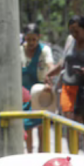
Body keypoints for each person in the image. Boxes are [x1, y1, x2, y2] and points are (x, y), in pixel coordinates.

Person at [44, 15, 84, 129]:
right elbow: (63, 62)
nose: (74, 35)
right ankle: (73, 147)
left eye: (77, 31)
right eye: (71, 32)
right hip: (70, 89)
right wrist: (49, 74)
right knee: (71, 125)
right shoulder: (70, 41)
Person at [21, 23, 55, 152]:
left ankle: (41, 153)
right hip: (24, 94)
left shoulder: (44, 50)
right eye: (28, 39)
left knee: (41, 125)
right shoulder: (19, 51)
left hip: (40, 92)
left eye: (34, 39)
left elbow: (50, 65)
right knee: (27, 124)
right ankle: (29, 153)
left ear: (38, 37)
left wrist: (49, 78)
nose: (31, 42)